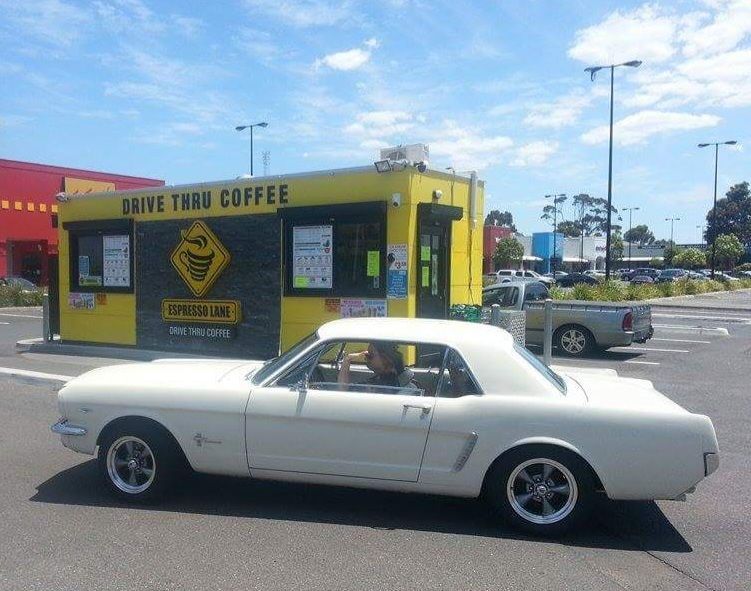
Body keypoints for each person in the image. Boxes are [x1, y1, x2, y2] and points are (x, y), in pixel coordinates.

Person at [337, 342, 421, 392]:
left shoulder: (381, 387)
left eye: (370, 355)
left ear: (385, 358)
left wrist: (347, 360)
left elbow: (343, 391)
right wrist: (347, 359)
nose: (366, 358)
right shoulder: (393, 379)